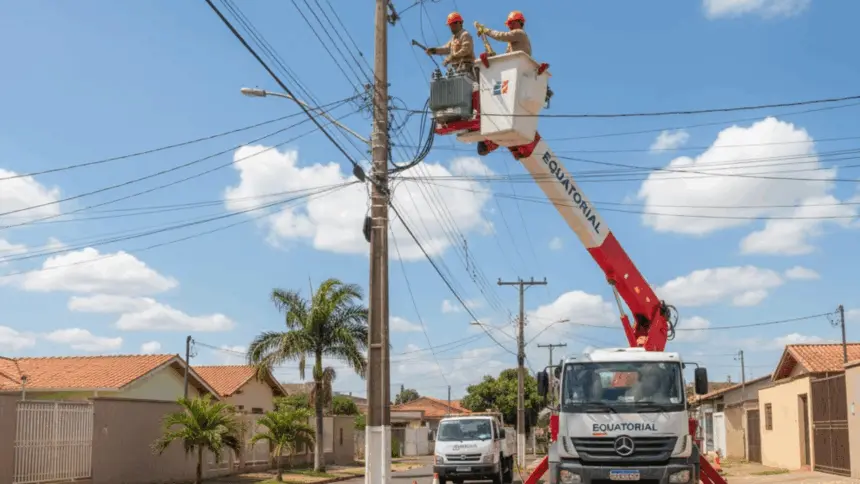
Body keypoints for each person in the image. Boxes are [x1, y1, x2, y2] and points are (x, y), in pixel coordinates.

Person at [425, 12, 476, 79]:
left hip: (467, 69)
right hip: (456, 70)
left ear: (459, 23)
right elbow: (447, 48)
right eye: (450, 25)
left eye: (452, 25)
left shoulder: (465, 35)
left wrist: (452, 56)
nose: (451, 27)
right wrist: (434, 50)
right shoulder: (454, 38)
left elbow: (466, 50)